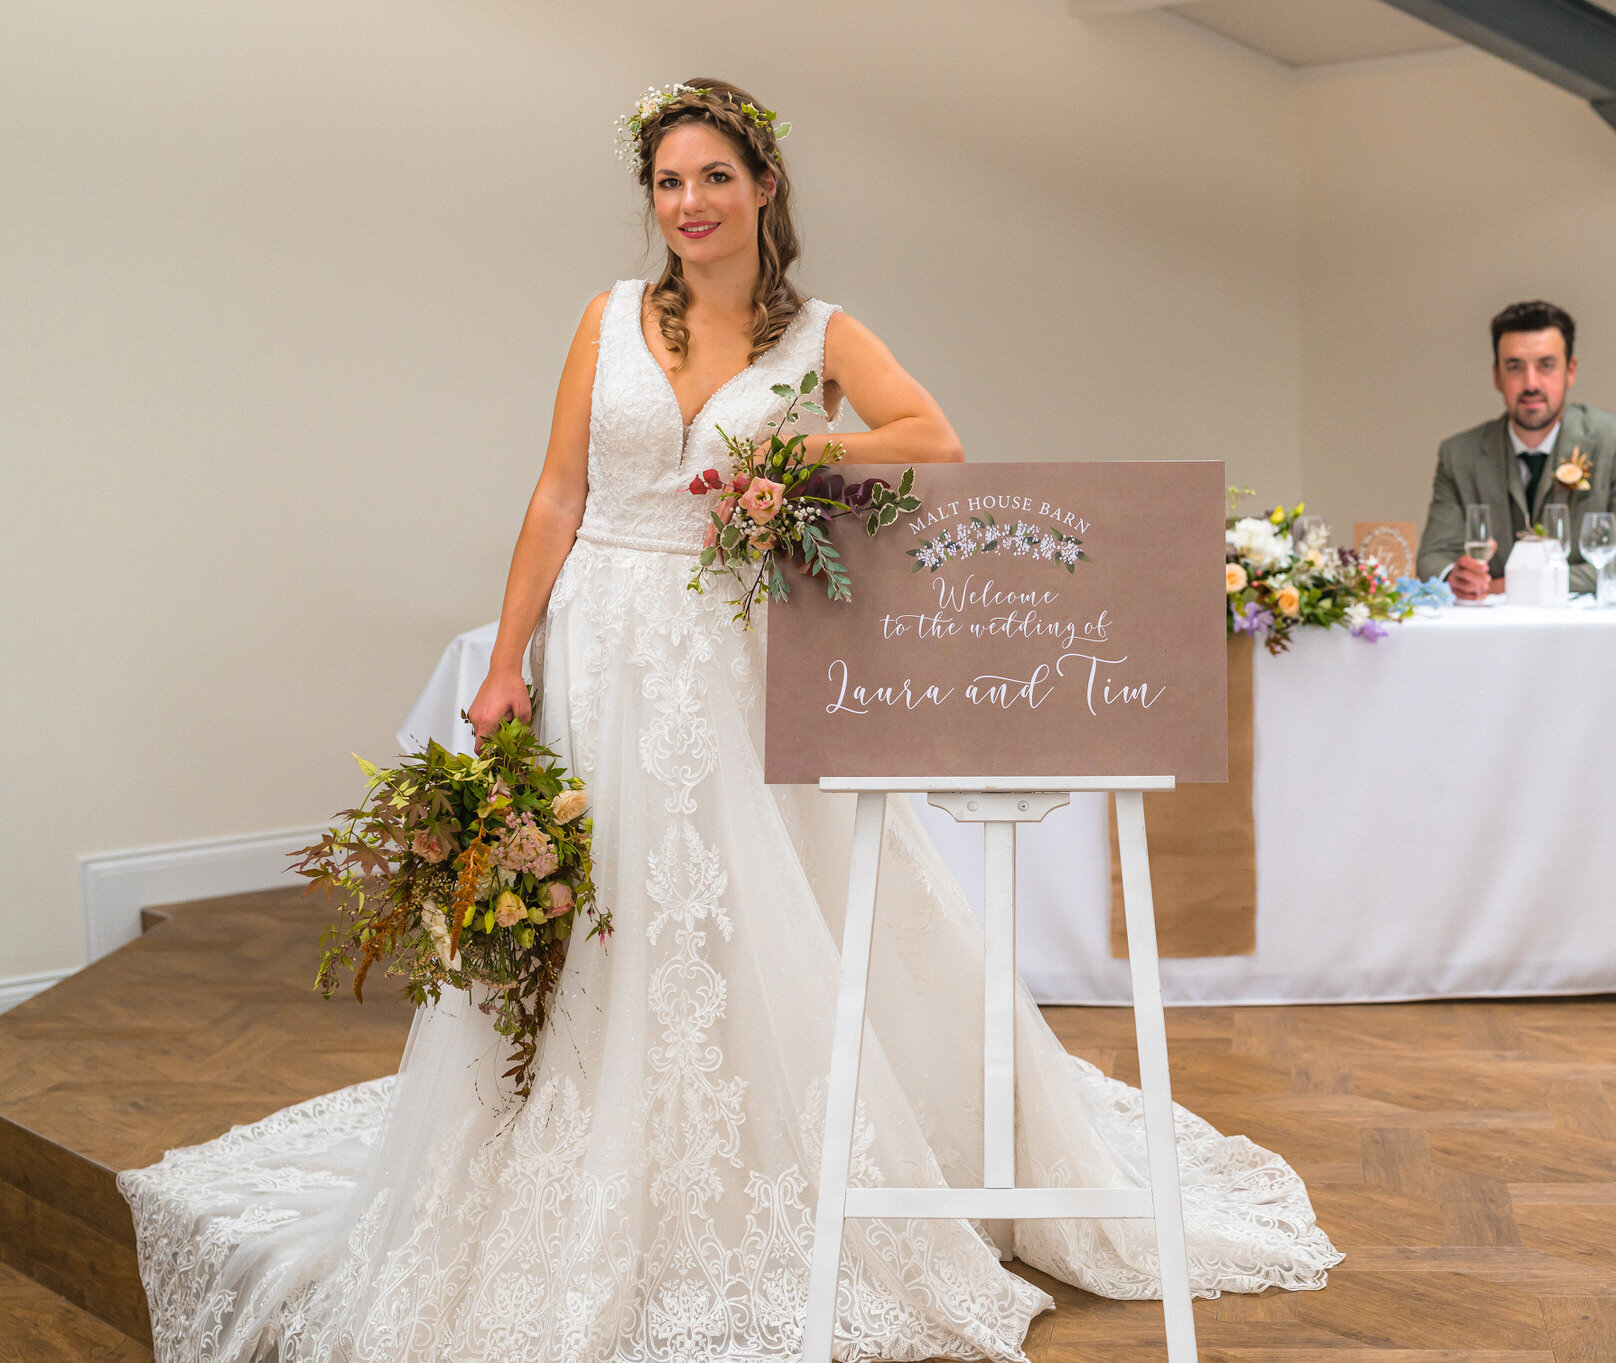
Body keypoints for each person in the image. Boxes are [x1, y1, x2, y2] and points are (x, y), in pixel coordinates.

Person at [119, 79, 1339, 1362]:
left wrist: (800, 460)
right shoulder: (604, 320)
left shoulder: (818, 335)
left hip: (735, 651)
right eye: (666, 182)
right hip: (603, 632)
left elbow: (933, 437)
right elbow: (555, 494)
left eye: (712, 177)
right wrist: (509, 660)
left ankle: (794, 1163)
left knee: (759, 901)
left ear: (763, 186)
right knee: (618, 900)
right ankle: (596, 1150)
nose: (688, 203)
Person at [1417, 300, 1616, 599]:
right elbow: (1433, 558)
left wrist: (1514, 586)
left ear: (1570, 371)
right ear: (1496, 376)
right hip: (1491, 636)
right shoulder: (1459, 455)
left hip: (1586, 634)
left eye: (1546, 365)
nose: (1531, 383)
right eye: (1515, 367)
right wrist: (1455, 578)